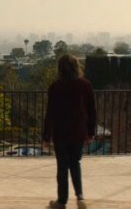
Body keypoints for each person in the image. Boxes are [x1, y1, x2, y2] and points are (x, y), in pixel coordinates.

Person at [43, 54, 97, 209]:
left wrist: (46, 135)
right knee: (75, 163)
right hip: (79, 130)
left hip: (60, 131)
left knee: (62, 166)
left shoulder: (55, 86)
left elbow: (50, 113)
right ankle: (80, 196)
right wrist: (90, 132)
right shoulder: (85, 85)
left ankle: (62, 201)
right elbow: (92, 111)